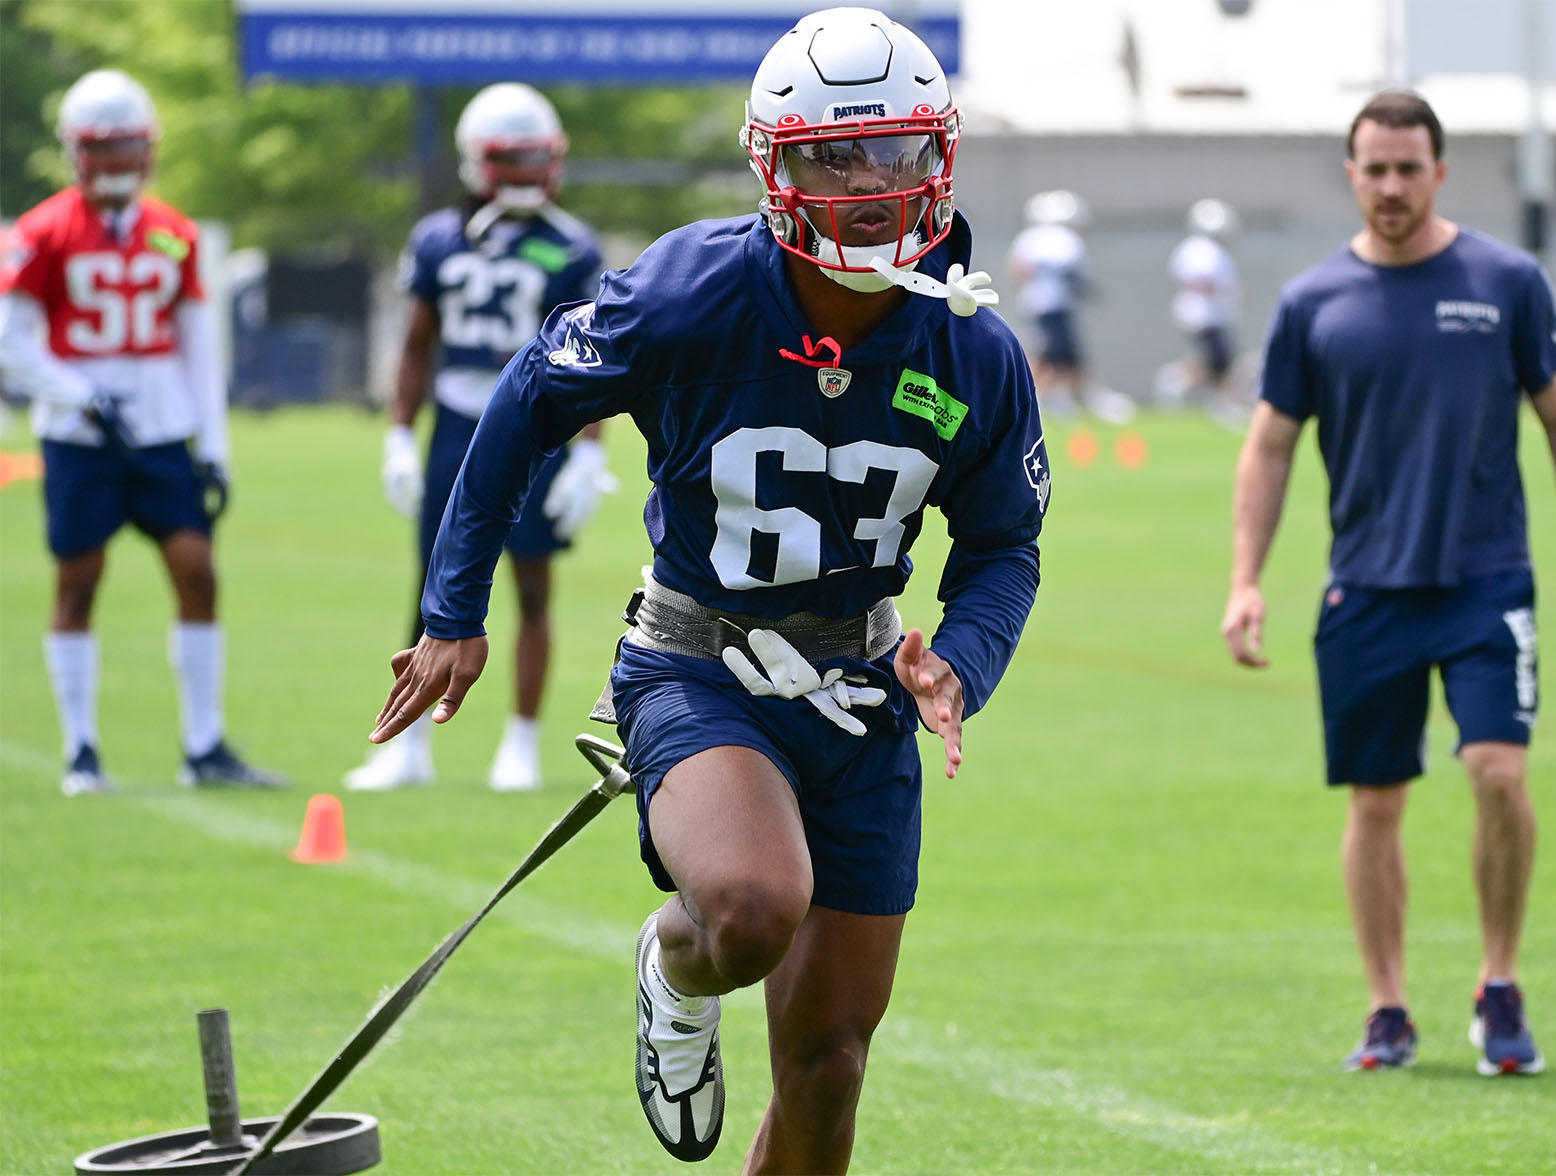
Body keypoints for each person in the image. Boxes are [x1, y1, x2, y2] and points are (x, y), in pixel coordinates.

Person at [368, 7, 1048, 1169]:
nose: (870, 185)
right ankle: (674, 966)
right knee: (745, 907)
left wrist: (960, 663)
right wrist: (452, 612)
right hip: (701, 661)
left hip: (858, 691)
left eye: (893, 150)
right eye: (833, 154)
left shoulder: (970, 347)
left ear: (939, 152)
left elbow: (1002, 547)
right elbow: (524, 402)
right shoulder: (692, 289)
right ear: (772, 165)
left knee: (827, 1064)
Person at [1221, 90, 1555, 1077]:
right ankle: (1386, 1007)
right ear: (1350, 174)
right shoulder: (1311, 303)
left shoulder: (1506, 282)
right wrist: (1244, 580)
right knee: (1374, 803)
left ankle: (1497, 983)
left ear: (1438, 172)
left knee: (1496, 772)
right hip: (1363, 590)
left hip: (1485, 582)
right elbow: (1268, 449)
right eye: (1374, 169)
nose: (1392, 186)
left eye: (1409, 168)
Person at [0, 69, 283, 795]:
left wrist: (213, 449)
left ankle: (203, 744)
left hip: (159, 434)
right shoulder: (43, 231)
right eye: (107, 147)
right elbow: (11, 341)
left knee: (198, 573)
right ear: (77, 151)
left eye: (130, 146)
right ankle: (81, 751)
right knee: (78, 583)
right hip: (80, 438)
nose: (121, 162)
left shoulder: (173, 233)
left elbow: (198, 345)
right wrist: (78, 392)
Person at [343, 81, 613, 793]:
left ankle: (520, 741)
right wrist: (400, 432)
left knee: (530, 585)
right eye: (510, 158)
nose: (524, 173)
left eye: (534, 158)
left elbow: (597, 356)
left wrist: (590, 451)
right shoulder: (438, 238)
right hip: (457, 420)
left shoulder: (571, 246)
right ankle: (407, 746)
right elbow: (416, 343)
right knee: (433, 582)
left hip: (540, 428)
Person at [1006, 189, 1133, 423]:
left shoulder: (1028, 238)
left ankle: (1059, 399)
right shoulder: (1067, 241)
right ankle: (1040, 399)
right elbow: (1075, 279)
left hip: (1033, 305)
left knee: (1060, 356)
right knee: (1053, 357)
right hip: (1056, 307)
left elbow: (1017, 271)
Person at [1160, 197, 1245, 424]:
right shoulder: (1202, 250)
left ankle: (1219, 401)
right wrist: (1225, 292)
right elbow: (1199, 281)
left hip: (1207, 313)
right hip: (1205, 315)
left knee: (1218, 360)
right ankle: (1177, 381)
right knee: (1218, 360)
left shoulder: (1197, 249)